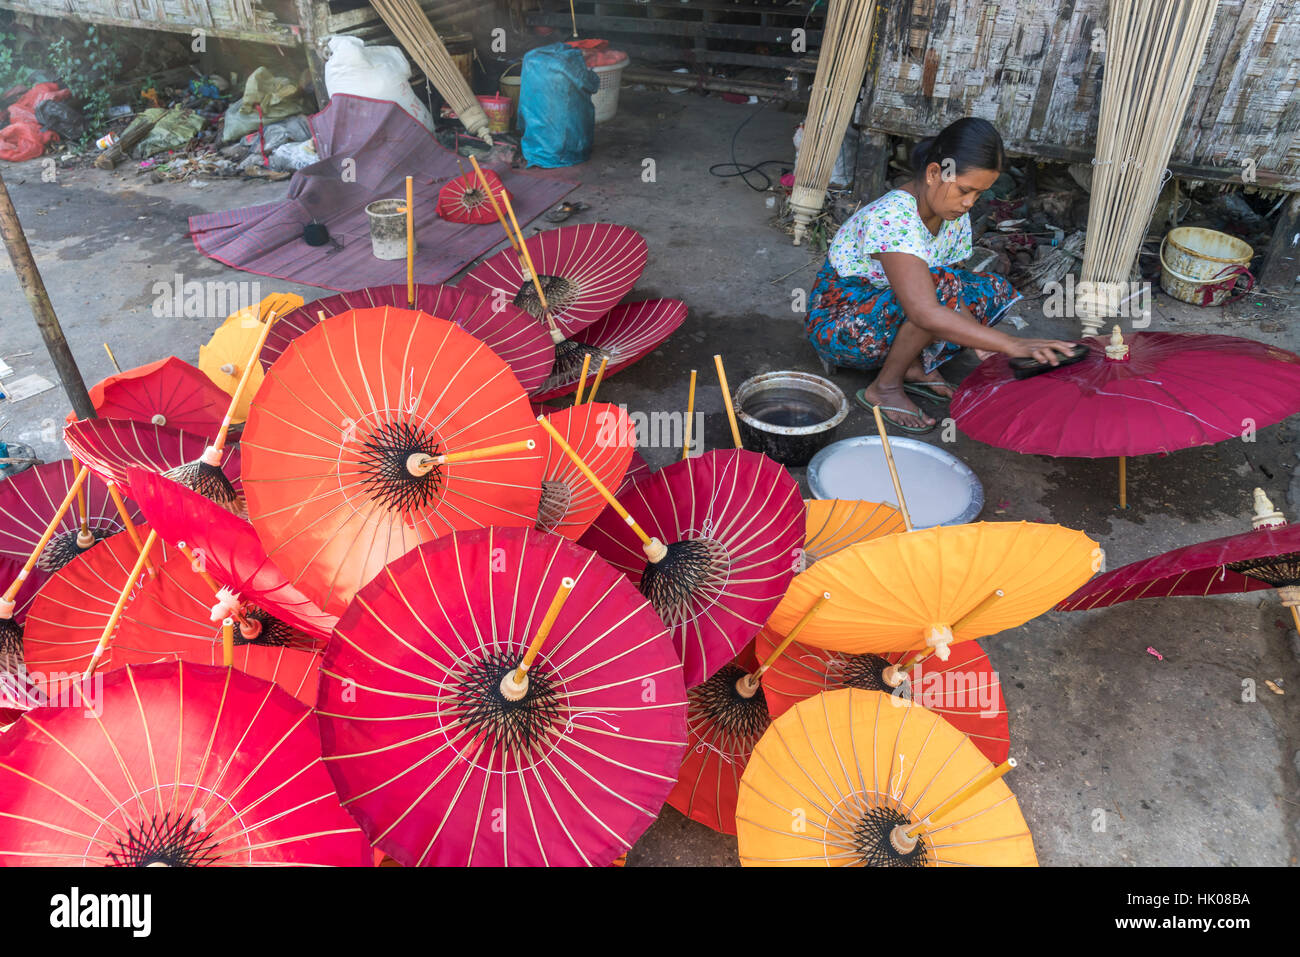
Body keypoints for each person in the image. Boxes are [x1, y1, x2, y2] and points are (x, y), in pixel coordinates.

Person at [805, 117, 1077, 433]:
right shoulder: (893, 216)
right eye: (965, 190)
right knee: (937, 288)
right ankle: (885, 387)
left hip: (886, 310)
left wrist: (979, 339)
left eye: (978, 195)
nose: (969, 203)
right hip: (841, 325)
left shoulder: (950, 214)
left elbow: (948, 292)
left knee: (991, 290)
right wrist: (1010, 343)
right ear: (935, 173)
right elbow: (926, 306)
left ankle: (913, 366)